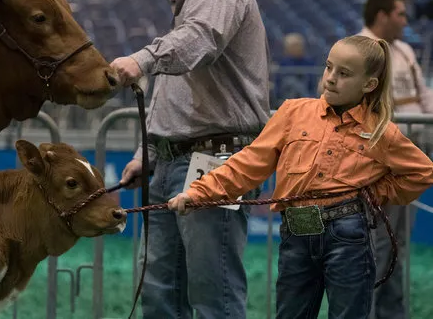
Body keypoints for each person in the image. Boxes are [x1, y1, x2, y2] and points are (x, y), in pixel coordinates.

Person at [168, 34, 433, 319]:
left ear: (369, 85)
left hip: (349, 235)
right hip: (296, 232)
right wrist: (199, 191)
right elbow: (249, 163)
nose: (331, 78)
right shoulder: (293, 112)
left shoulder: (382, 131)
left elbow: (421, 172)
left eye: (344, 74)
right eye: (328, 67)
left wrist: (374, 194)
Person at [110, 0, 270, 319]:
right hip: (171, 162)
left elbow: (201, 42)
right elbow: (173, 89)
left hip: (215, 161)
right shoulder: (191, 0)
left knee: (212, 292)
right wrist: (145, 152)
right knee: (161, 293)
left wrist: (143, 58)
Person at [357, 0, 433, 319]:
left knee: (397, 241)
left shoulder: (402, 51)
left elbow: (422, 95)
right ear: (382, 15)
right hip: (378, 158)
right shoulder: (358, 49)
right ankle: (367, 311)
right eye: (400, 14)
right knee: (377, 240)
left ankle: (392, 312)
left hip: (412, 153)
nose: (405, 21)